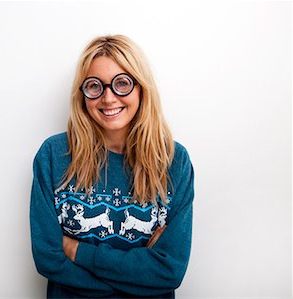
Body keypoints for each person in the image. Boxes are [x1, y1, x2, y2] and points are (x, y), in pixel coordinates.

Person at [30, 35, 195, 299]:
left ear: (141, 88)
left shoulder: (174, 161)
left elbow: (169, 271)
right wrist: (140, 275)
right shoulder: (54, 155)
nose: (108, 98)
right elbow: (48, 258)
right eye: (95, 86)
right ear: (82, 95)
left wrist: (77, 251)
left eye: (122, 84)